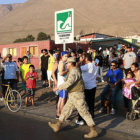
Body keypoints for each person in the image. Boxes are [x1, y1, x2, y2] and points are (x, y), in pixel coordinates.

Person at [48, 57, 98, 139]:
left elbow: (70, 82)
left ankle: (93, 131)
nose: (66, 65)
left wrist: (58, 88)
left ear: (71, 63)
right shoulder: (73, 70)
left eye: (67, 63)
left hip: (77, 95)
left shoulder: (74, 71)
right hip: (73, 95)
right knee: (65, 110)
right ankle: (57, 125)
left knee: (84, 112)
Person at [76, 54, 98, 125]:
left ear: (86, 59)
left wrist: (80, 61)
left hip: (86, 86)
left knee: (82, 103)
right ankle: (91, 116)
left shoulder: (87, 66)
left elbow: (77, 68)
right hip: (93, 85)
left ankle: (81, 119)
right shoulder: (94, 65)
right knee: (91, 102)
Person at [56, 51, 68, 119]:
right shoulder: (61, 63)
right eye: (65, 56)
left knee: (60, 99)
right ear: (62, 56)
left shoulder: (63, 63)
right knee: (63, 99)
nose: (66, 57)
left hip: (62, 84)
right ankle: (61, 114)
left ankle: (58, 113)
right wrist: (67, 70)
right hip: (62, 84)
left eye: (67, 56)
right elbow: (61, 73)